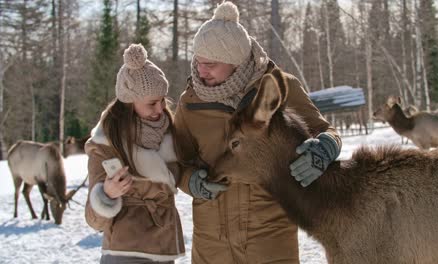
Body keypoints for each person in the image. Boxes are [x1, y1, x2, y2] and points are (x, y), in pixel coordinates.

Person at [173, 1, 342, 263]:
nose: (200, 71)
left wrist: (324, 149)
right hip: (212, 240)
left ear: (235, 61)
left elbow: (325, 131)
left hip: (271, 235)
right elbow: (178, 161)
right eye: (199, 61)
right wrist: (191, 182)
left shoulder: (280, 87)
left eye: (211, 64)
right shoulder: (190, 103)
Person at [84, 44, 185, 264]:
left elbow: (183, 173)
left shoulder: (170, 133)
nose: (160, 109)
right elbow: (93, 219)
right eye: (151, 103)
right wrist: (107, 194)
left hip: (164, 249)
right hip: (125, 252)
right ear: (129, 103)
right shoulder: (105, 143)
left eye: (162, 100)